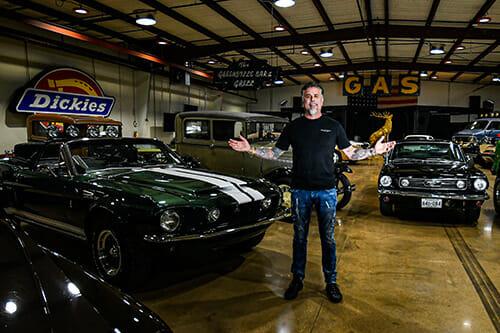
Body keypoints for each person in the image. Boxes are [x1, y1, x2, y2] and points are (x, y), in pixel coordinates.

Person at [228, 82, 395, 303]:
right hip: (300, 192)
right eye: (308, 96)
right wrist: (250, 148)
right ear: (303, 100)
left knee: (328, 238)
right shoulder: (293, 127)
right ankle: (297, 278)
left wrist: (375, 150)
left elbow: (351, 154)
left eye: (316, 96)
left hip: (326, 192)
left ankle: (331, 282)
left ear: (322, 101)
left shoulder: (334, 126)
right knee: (299, 237)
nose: (312, 100)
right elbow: (274, 153)